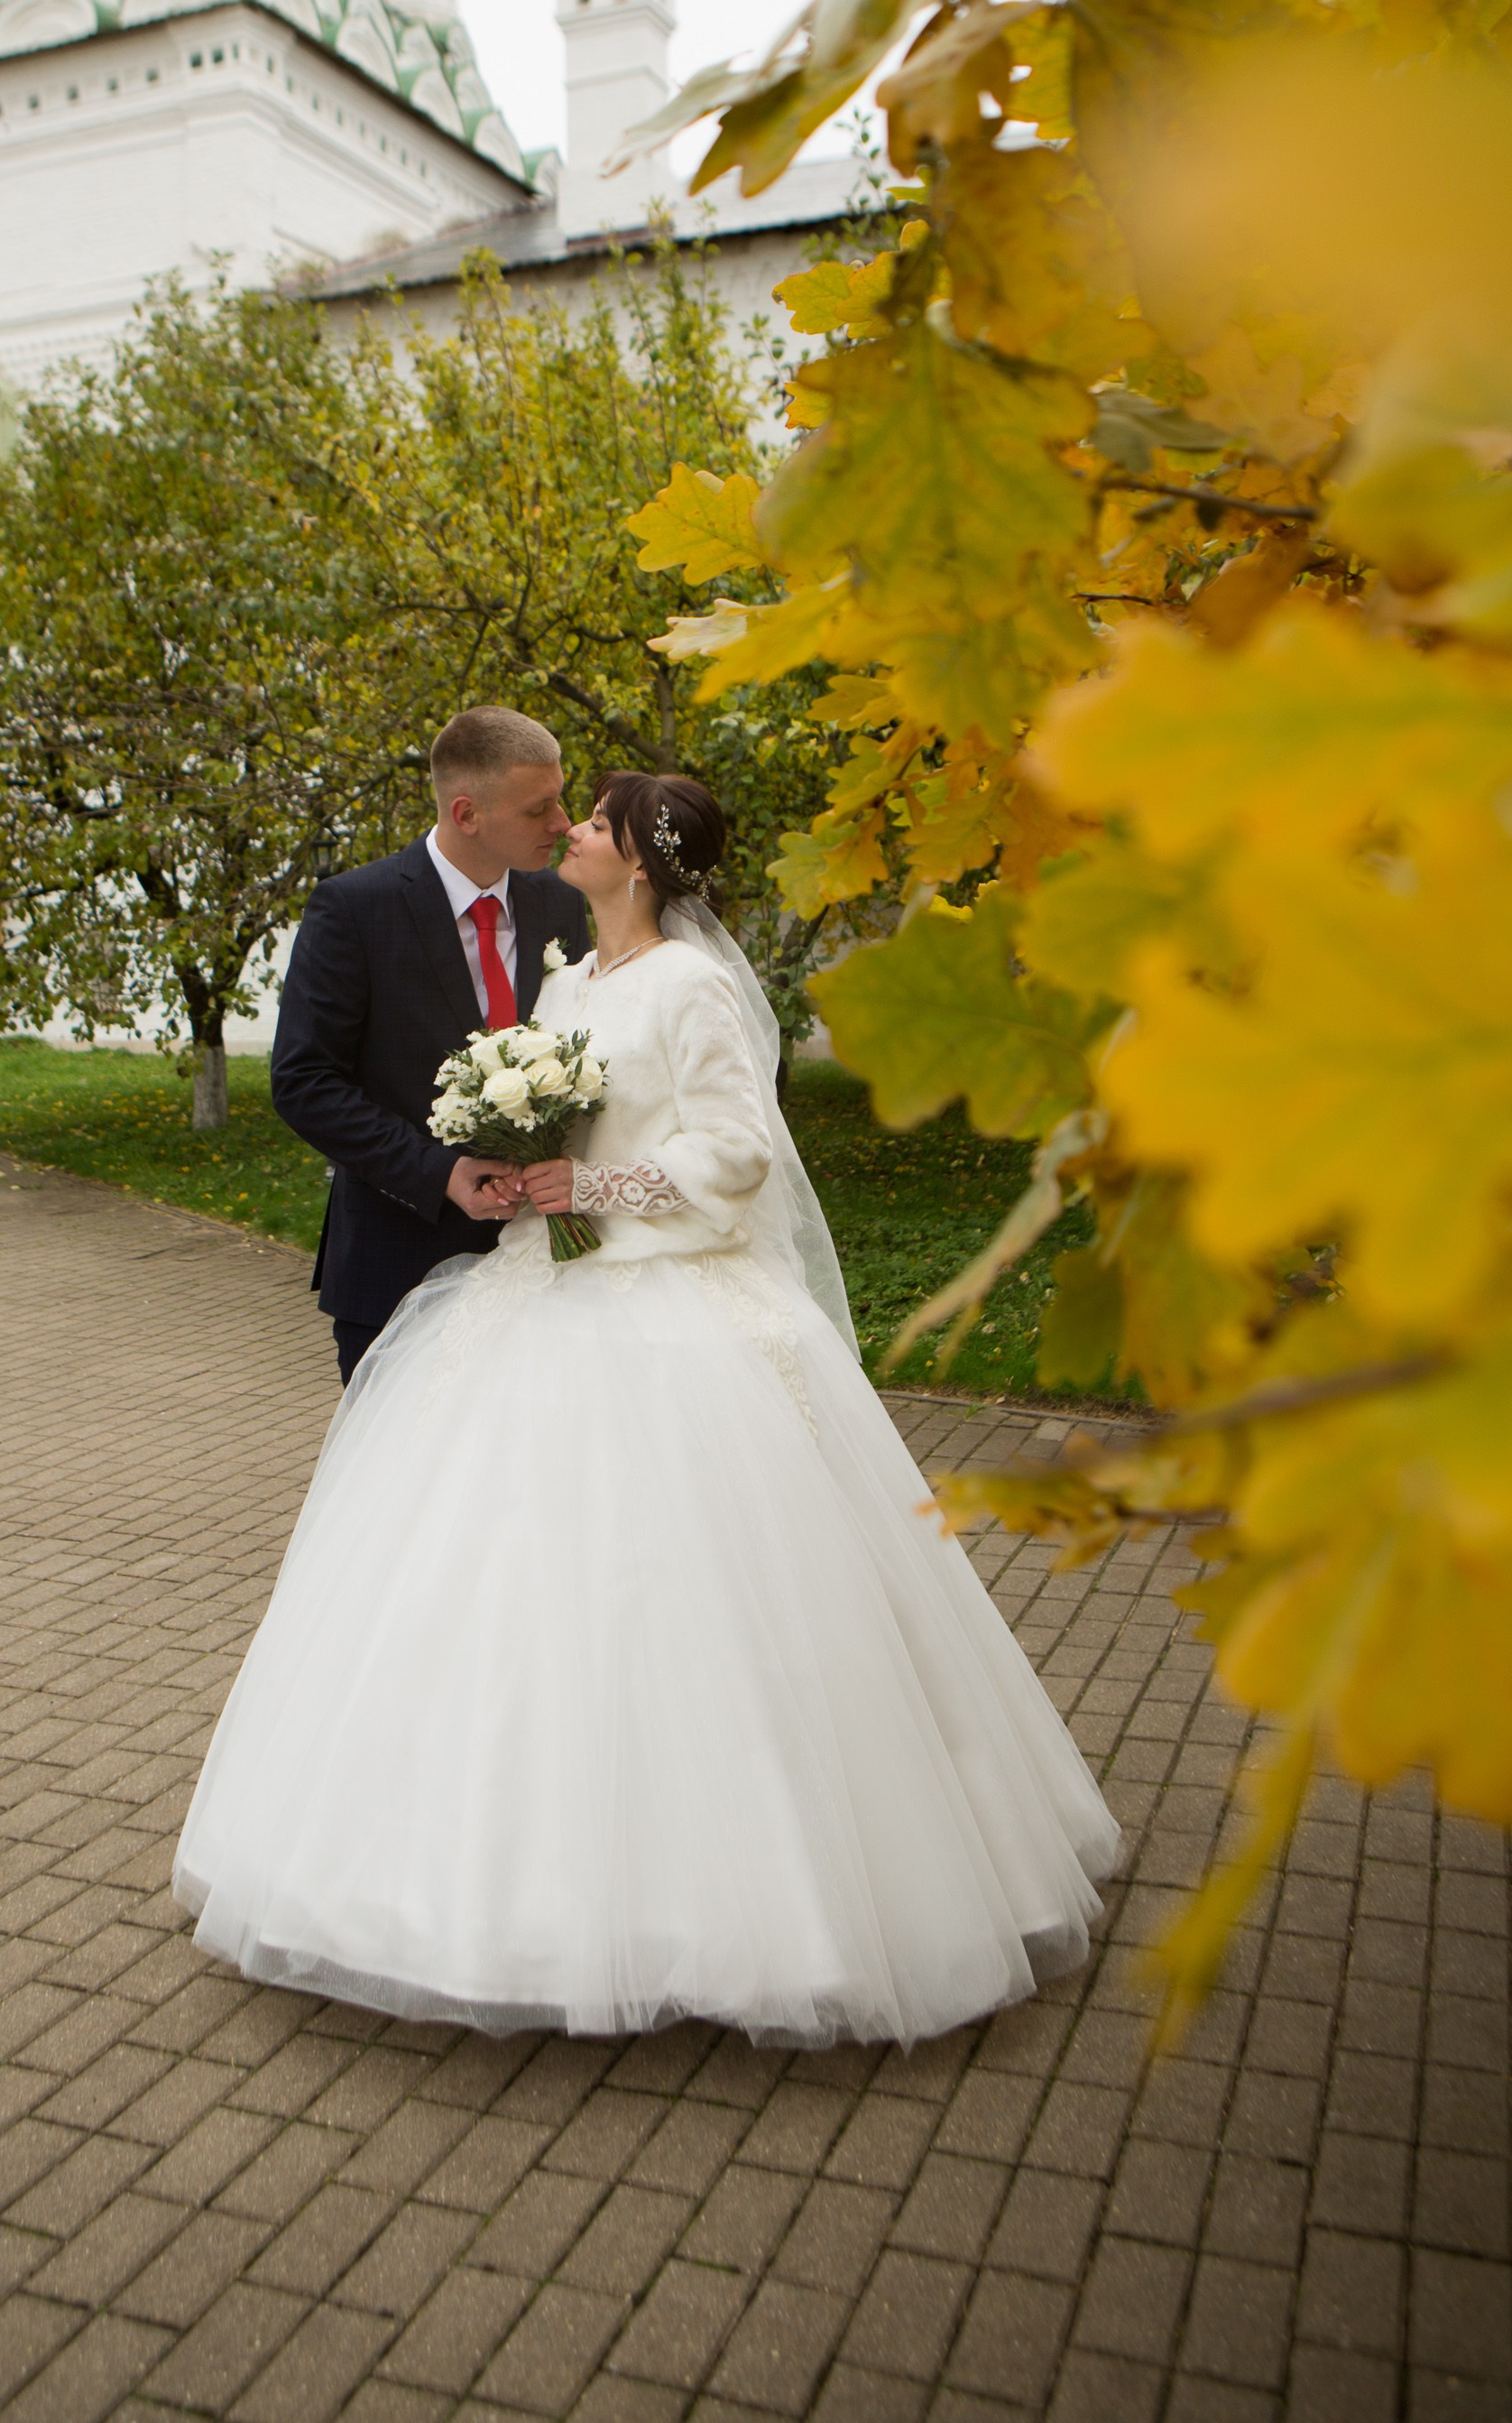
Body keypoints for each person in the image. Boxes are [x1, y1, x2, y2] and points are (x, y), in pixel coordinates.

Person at [180, 770, 1120, 2046]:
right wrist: (519, 1172)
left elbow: (737, 1153)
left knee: (697, 1601)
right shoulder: (570, 983)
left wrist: (591, 1187)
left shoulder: (693, 985)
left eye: (594, 821)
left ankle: (760, 1908)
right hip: (539, 1301)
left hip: (672, 1305)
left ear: (642, 858)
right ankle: (480, 1890)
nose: (568, 830)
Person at [271, 706, 591, 1384]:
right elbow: (304, 1081)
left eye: (560, 800)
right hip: (398, 1264)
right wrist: (437, 1172)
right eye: (540, 809)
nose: (562, 824)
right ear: (467, 813)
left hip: (546, 1260)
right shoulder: (354, 909)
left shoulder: (559, 905)